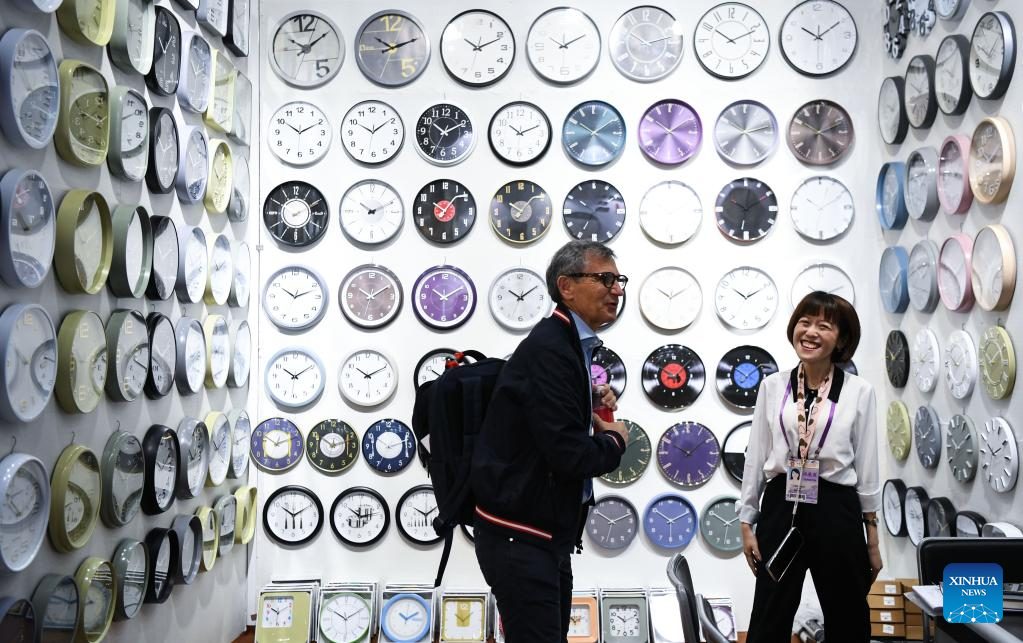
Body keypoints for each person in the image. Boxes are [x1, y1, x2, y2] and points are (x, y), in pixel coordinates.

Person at [471, 240, 630, 642]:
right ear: (566, 286)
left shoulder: (566, 344)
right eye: (604, 279)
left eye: (619, 280)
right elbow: (570, 456)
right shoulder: (552, 349)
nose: (617, 289)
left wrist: (586, 400)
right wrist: (615, 442)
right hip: (521, 537)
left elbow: (544, 421)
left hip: (540, 535)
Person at [739, 291, 882, 643]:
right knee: (770, 611)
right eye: (804, 322)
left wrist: (873, 540)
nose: (811, 332)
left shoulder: (859, 391)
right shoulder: (773, 387)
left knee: (848, 614)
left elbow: (867, 468)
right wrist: (746, 522)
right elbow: (756, 456)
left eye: (824, 326)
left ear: (841, 340)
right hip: (781, 503)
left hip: (836, 507)